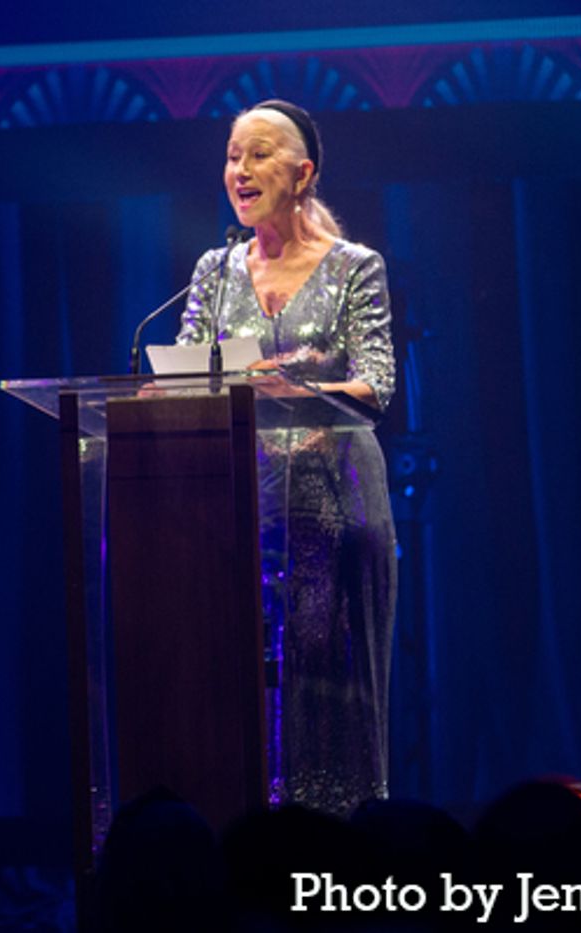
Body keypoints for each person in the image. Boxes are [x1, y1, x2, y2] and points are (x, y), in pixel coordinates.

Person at [176, 99, 398, 816]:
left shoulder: (355, 267)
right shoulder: (213, 270)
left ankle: (339, 847)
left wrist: (294, 386)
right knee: (236, 682)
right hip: (238, 507)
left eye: (259, 154)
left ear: (302, 175)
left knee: (326, 684)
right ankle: (244, 847)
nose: (239, 169)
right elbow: (182, 375)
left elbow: (378, 384)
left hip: (334, 505)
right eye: (233, 155)